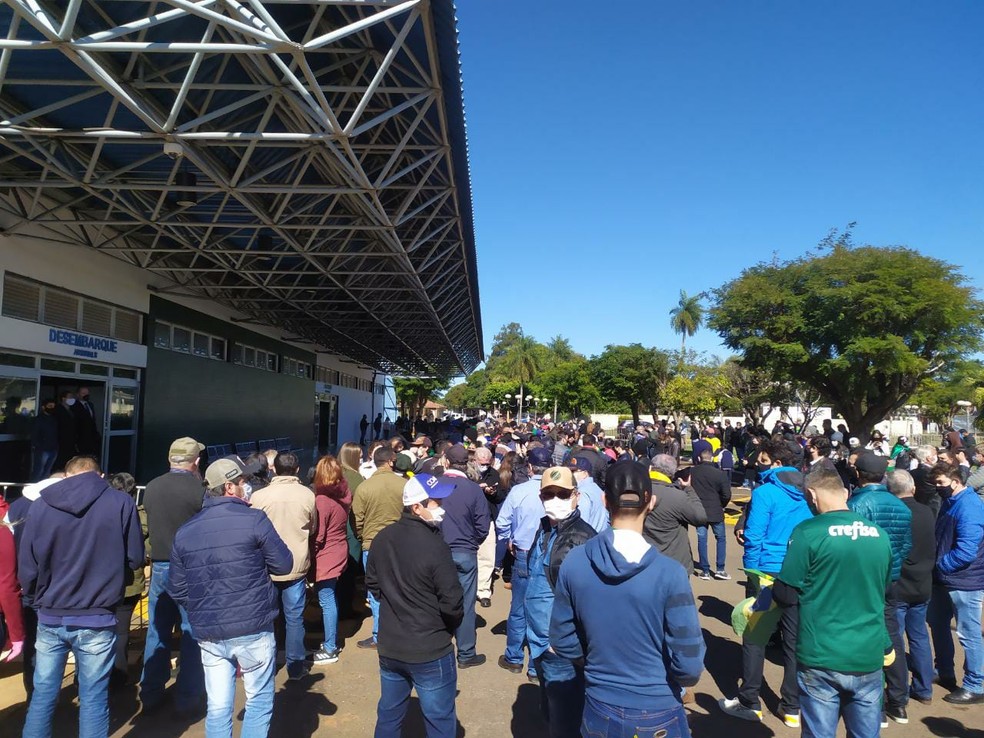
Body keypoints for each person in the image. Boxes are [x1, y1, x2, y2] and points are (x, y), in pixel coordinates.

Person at [550, 460, 705, 737]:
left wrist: (594, 662)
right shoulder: (671, 573)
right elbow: (689, 665)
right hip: (658, 706)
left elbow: (562, 638)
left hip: (599, 701)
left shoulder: (574, 563)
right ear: (652, 501)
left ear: (604, 499)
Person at [19, 455, 144, 738]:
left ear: (66, 476)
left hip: (50, 611)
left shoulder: (40, 505)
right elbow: (135, 557)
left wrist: (35, 595)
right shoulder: (121, 503)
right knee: (93, 698)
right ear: (100, 476)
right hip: (97, 614)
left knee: (43, 695)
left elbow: (27, 565)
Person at [168, 457, 293, 738]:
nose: (246, 485)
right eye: (242, 482)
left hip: (211, 631)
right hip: (253, 629)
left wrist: (203, 607)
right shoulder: (254, 519)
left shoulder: (186, 531)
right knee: (258, 701)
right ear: (229, 487)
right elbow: (283, 565)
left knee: (218, 706)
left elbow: (176, 587)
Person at [774, 466, 893, 738]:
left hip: (821, 654)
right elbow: (884, 589)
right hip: (868, 652)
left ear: (812, 495)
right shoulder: (880, 535)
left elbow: (786, 593)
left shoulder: (808, 532)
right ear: (845, 492)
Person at [720, 439, 812, 727]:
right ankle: (792, 706)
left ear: (774, 461)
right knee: (795, 642)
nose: (756, 462)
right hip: (800, 573)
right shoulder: (809, 491)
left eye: (761, 458)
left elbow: (755, 535)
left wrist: (752, 572)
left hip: (767, 574)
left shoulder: (765, 492)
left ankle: (750, 700)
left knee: (754, 637)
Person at [367, 474, 464, 738]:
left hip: (391, 646)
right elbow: (452, 601)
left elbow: (373, 584)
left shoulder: (382, 538)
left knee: (389, 715)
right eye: (435, 501)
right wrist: (447, 625)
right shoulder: (436, 546)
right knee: (439, 720)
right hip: (430, 648)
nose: (441, 507)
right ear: (416, 507)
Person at [525, 466, 596, 736]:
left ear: (576, 496)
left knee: (566, 722)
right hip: (541, 644)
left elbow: (587, 600)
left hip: (561, 650)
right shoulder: (545, 528)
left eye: (563, 493)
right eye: (548, 494)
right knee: (552, 713)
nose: (555, 499)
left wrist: (562, 644)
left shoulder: (581, 537)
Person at [140, 436, 207, 713]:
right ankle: (189, 697)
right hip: (191, 567)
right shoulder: (199, 490)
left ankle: (151, 692)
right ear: (197, 461)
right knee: (191, 632)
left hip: (160, 567)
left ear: (170, 459)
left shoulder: (152, 487)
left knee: (157, 629)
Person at [845, 452, 913, 722]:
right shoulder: (901, 506)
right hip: (891, 577)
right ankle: (898, 699)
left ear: (859, 474)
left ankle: (875, 705)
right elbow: (906, 545)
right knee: (891, 634)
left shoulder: (856, 505)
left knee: (865, 635)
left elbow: (851, 546)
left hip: (863, 580)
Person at [249, 451, 317, 681]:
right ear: (297, 470)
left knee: (266, 617)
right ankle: (295, 665)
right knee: (294, 617)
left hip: (266, 564)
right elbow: (313, 526)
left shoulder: (259, 497)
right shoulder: (307, 495)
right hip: (296, 563)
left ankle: (264, 664)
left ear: (273, 469)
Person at [927, 461, 984, 704]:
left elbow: (966, 551)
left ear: (955, 481)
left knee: (969, 633)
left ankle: (976, 684)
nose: (937, 487)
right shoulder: (952, 502)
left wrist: (940, 565)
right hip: (946, 579)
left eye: (940, 483)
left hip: (964, 581)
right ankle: (945, 671)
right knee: (937, 624)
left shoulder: (969, 506)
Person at [495, 447, 549, 678]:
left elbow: (502, 521)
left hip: (524, 552)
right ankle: (535, 665)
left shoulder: (519, 491)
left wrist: (508, 539)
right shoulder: (559, 492)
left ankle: (515, 656)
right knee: (543, 608)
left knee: (519, 607)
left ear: (529, 467)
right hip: (547, 554)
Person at [885, 470, 936, 709]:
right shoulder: (927, 511)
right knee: (919, 637)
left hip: (901, 586)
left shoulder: (896, 514)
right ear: (913, 488)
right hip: (923, 583)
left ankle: (899, 691)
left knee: (896, 639)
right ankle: (924, 688)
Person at [437, 444, 491, 668]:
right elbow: (483, 526)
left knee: (436, 600)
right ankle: (466, 654)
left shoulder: (435, 486)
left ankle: (438, 649)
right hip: (465, 553)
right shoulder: (473, 489)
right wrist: (471, 542)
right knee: (466, 604)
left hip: (438, 553)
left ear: (446, 462)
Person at [352, 445, 406, 648]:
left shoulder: (365, 487)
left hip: (372, 543)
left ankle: (379, 635)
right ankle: (400, 629)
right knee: (400, 587)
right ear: (391, 461)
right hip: (399, 543)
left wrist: (362, 536)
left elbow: (357, 519)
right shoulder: (403, 484)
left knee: (375, 591)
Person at [107, 472, 150, 688]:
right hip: (129, 583)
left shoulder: (101, 513)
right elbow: (142, 553)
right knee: (122, 630)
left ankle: (87, 675)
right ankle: (119, 676)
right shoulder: (139, 515)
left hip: (102, 581)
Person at [309, 455, 352, 665]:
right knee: (330, 597)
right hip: (339, 549)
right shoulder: (344, 496)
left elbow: (319, 535)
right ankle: (330, 642)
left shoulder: (322, 501)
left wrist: (309, 556)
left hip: (326, 555)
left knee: (326, 600)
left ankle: (330, 647)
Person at [642, 454, 708, 571]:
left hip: (644, 559)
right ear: (673, 473)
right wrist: (688, 489)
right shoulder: (678, 496)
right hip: (674, 561)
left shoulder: (638, 490)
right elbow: (700, 517)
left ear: (650, 468)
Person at [690, 448, 732, 580]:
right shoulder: (719, 474)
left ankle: (705, 570)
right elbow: (726, 494)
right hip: (716, 510)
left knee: (702, 539)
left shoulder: (693, 472)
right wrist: (721, 505)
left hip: (699, 510)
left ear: (699, 459)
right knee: (721, 539)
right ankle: (720, 568)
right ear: (712, 458)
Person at [474, 446, 503, 608]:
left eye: (487, 462)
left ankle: (484, 590)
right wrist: (477, 488)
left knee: (487, 555)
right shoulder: (469, 474)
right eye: (481, 462)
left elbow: (500, 496)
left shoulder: (494, 474)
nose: (484, 465)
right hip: (469, 519)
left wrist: (492, 492)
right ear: (475, 460)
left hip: (488, 518)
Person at [566, 456, 608, 533]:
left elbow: (580, 525)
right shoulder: (596, 488)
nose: (570, 474)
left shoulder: (582, 493)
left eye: (574, 471)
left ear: (585, 473)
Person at [30, 398, 58, 482]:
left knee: (47, 472)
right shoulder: (38, 420)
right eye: (50, 406)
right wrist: (37, 445)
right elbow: (34, 434)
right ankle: (33, 491)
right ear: (43, 407)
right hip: (42, 449)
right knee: (38, 471)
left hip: (53, 448)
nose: (52, 408)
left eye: (53, 406)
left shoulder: (54, 419)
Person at [53, 390, 78, 471]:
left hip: (70, 441)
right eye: (70, 397)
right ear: (63, 399)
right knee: (61, 461)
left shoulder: (71, 411)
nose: (72, 399)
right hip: (61, 441)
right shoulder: (58, 410)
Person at [73, 386, 101, 456]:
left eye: (87, 393)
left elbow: (92, 420)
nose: (86, 395)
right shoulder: (74, 406)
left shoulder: (90, 405)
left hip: (92, 438)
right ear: (77, 394)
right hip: (81, 439)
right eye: (83, 393)